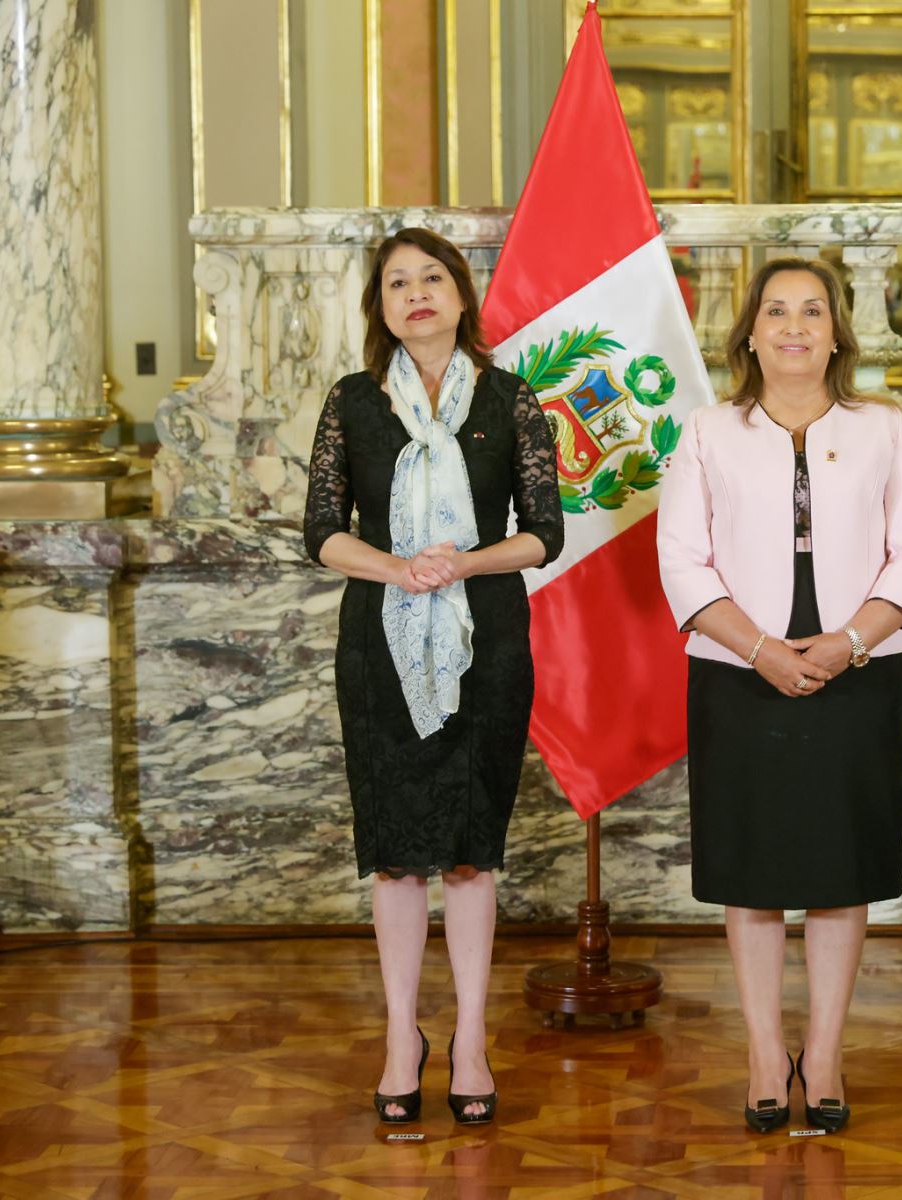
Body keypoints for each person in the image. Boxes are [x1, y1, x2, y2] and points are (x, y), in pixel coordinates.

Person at [656, 257, 902, 1134]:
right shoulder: (707, 432)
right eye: (775, 310)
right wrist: (762, 650)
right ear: (748, 333)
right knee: (755, 873)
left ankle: (822, 1054)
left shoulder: (886, 430)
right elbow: (681, 559)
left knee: (838, 870)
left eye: (812, 311)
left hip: (857, 668)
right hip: (741, 672)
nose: (793, 326)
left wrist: (851, 641)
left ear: (836, 332)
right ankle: (760, 1052)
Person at [302, 227, 564, 1124]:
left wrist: (462, 563)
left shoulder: (511, 399)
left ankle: (474, 1043)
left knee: (468, 852)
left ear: (461, 296)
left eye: (433, 279)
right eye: (396, 284)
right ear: (381, 309)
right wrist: (396, 567)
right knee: (396, 858)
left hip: (487, 638)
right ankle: (400, 1037)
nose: (416, 294)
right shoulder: (353, 403)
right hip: (379, 644)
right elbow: (323, 531)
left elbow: (543, 534)